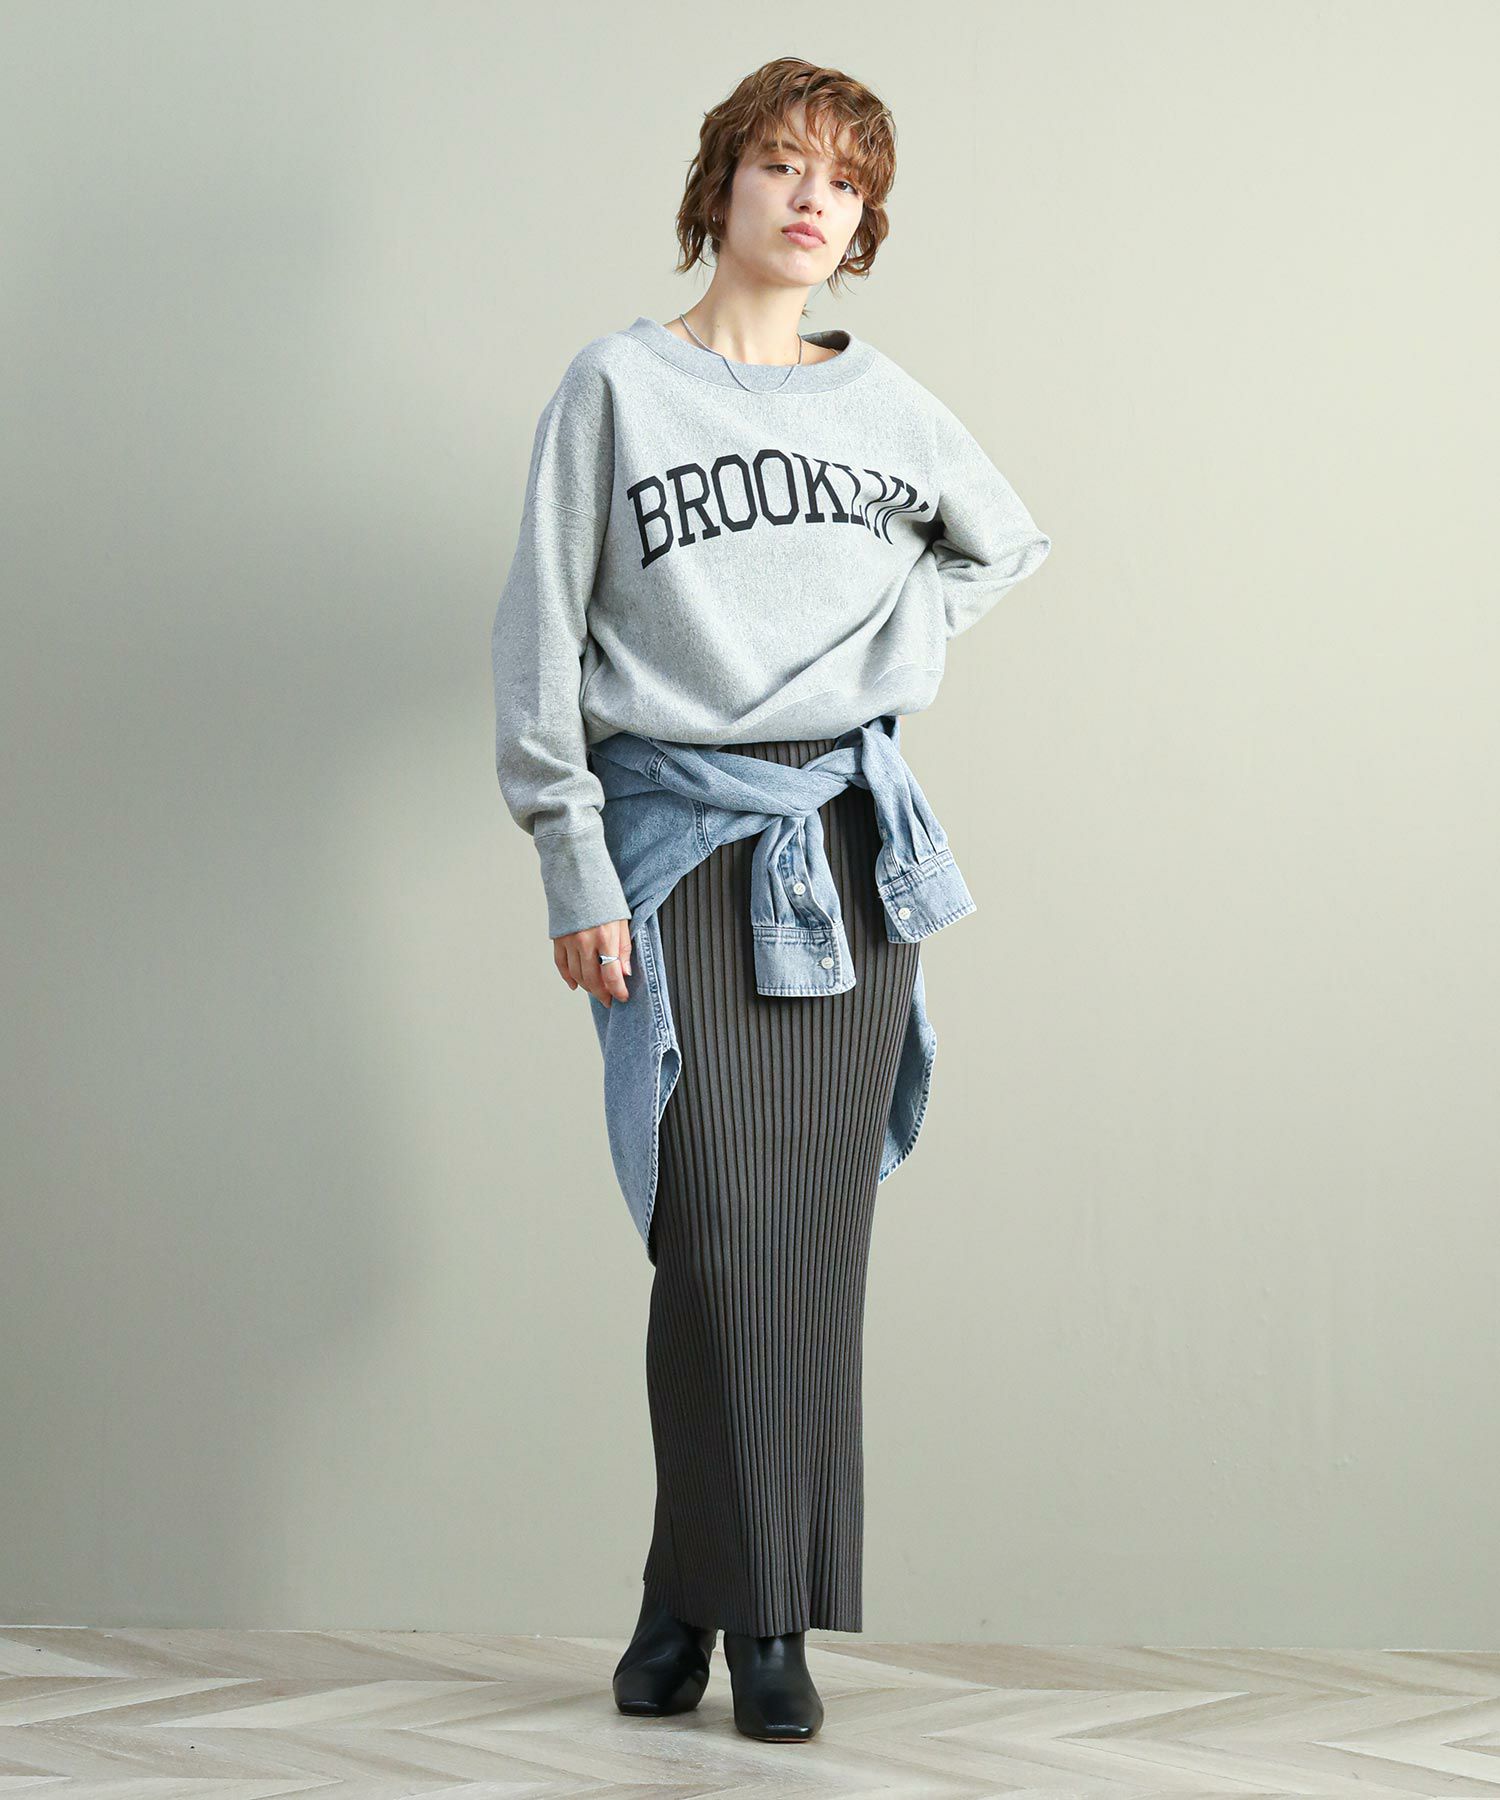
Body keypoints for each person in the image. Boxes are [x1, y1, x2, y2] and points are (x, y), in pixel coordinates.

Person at [491, 56, 1051, 1743]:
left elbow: (1002, 542)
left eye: (846, 182)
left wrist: (886, 650)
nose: (815, 199)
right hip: (678, 843)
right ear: (720, 185)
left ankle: (734, 1613)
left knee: (808, 1248)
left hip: (850, 853)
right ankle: (736, 1602)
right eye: (784, 164)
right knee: (714, 1237)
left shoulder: (887, 405)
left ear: (863, 223)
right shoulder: (617, 390)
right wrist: (572, 857)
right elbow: (539, 640)